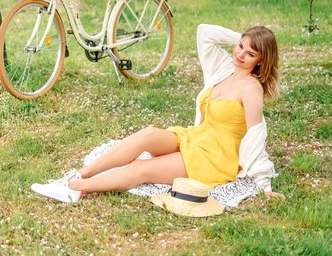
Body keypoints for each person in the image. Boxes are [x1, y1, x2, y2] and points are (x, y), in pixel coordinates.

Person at [31, 24, 286, 203]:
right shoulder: (224, 68)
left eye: (250, 54)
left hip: (214, 158)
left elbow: (255, 137)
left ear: (261, 61)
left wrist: (264, 185)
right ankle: (80, 174)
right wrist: (246, 38)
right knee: (148, 134)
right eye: (240, 46)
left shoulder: (251, 89)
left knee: (142, 168)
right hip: (196, 138)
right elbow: (204, 32)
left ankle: (75, 189)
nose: (240, 55)